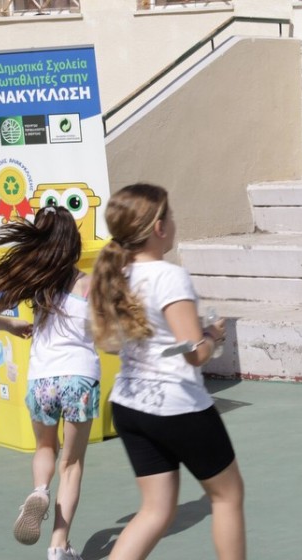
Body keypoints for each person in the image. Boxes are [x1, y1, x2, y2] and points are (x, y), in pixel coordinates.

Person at [89, 183, 245, 560]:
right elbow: (194, 354)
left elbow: (128, 342)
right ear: (159, 227)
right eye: (170, 216)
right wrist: (212, 335)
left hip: (129, 406)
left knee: (155, 511)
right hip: (178, 408)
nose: (174, 222)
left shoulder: (116, 275)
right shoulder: (170, 276)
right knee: (227, 496)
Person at [0, 205, 99, 560]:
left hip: (42, 380)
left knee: (45, 449)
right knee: (72, 465)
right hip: (79, 378)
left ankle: (39, 492)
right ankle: (58, 547)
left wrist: (11, 325)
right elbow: (107, 331)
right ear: (73, 242)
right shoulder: (88, 284)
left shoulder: (34, 281)